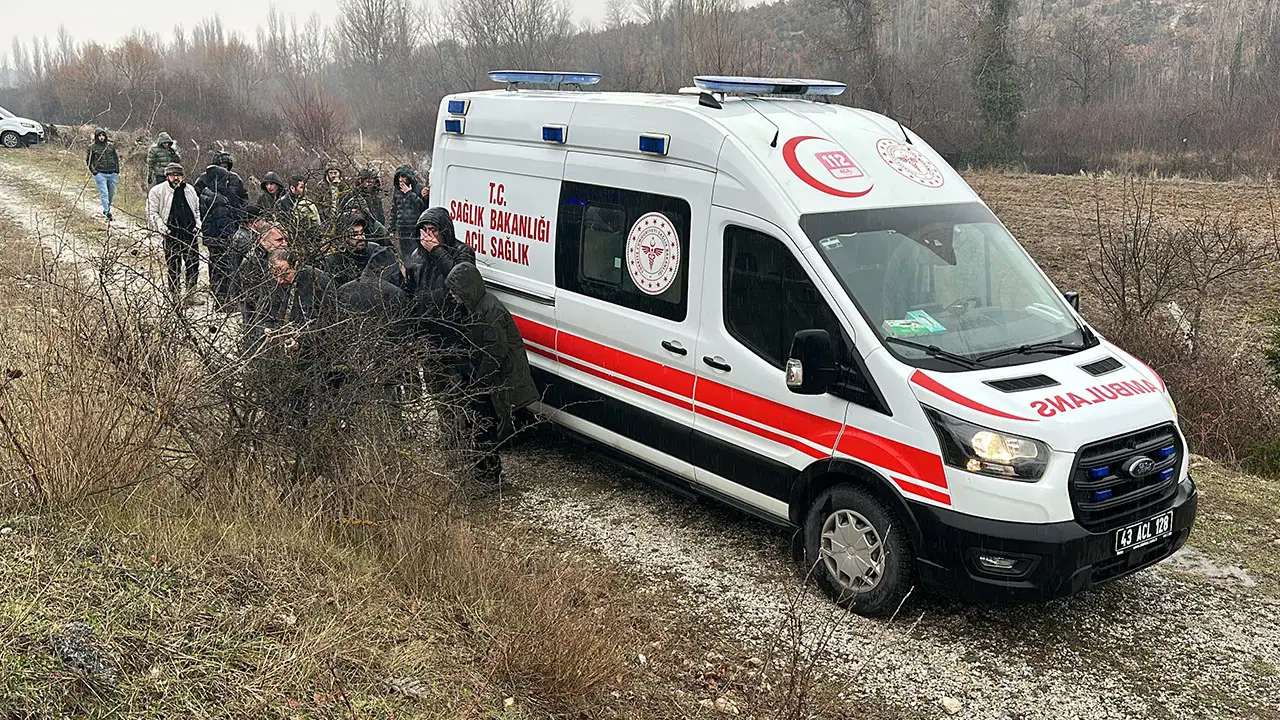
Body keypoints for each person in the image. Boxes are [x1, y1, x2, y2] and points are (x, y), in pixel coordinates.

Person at [443, 261, 539, 495]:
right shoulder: (475, 307)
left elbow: (496, 351)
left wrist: (479, 380)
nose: (453, 296)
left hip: (496, 377)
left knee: (486, 424)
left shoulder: (489, 310)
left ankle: (490, 473)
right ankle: (483, 468)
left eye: (456, 291)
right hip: (489, 376)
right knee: (482, 422)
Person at [406, 207, 477, 321]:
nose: (428, 235)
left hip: (451, 319)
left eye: (433, 230)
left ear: (443, 231)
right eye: (424, 229)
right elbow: (410, 288)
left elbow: (461, 283)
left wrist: (437, 251)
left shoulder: (462, 251)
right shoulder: (417, 255)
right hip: (424, 318)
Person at [145, 163, 203, 301]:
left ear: (183, 176)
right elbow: (152, 213)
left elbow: (197, 210)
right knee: (173, 266)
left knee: (193, 264)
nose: (176, 178)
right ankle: (175, 297)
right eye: (172, 175)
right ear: (167, 176)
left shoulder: (190, 190)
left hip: (189, 233)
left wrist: (198, 225)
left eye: (178, 175)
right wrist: (162, 228)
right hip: (170, 234)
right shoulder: (157, 191)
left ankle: (190, 295)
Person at [194, 162, 248, 306]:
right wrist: (231, 235)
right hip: (221, 239)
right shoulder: (218, 200)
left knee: (214, 267)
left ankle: (217, 296)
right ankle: (223, 301)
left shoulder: (206, 193)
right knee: (223, 269)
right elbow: (223, 223)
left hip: (210, 238)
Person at [324, 213, 385, 287]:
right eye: (354, 235)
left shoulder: (375, 251)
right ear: (343, 237)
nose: (361, 237)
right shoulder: (334, 260)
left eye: (362, 232)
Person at [389, 165, 425, 262]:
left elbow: (422, 207)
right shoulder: (397, 191)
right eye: (399, 177)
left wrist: (409, 194)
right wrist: (392, 228)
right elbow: (394, 210)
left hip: (415, 230)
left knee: (416, 257)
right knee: (405, 257)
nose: (401, 179)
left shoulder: (419, 189)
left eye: (403, 176)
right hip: (402, 230)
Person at [85, 128, 120, 221]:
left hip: (112, 173)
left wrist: (117, 170)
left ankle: (107, 208)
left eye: (103, 135)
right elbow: (89, 161)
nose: (101, 137)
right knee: (104, 193)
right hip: (100, 174)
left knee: (111, 194)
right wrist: (94, 172)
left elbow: (116, 158)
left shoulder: (110, 146)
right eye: (99, 136)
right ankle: (108, 212)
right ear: (97, 137)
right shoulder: (92, 147)